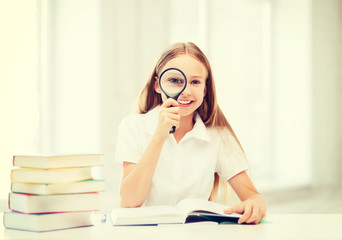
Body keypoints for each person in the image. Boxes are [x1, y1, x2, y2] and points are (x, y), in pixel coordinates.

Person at [115, 42, 267, 224]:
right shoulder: (133, 127)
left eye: (195, 82)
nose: (185, 91)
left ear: (204, 89)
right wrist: (159, 136)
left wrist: (256, 205)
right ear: (157, 85)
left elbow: (254, 198)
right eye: (175, 80)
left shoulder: (218, 136)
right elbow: (129, 201)